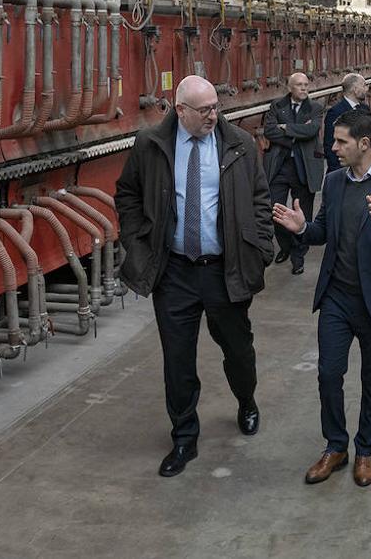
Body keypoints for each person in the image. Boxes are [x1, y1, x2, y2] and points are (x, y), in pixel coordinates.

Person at [114, 75, 275, 477]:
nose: (212, 115)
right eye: (204, 110)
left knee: (238, 350)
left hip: (226, 270)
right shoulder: (151, 145)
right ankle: (184, 436)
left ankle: (246, 398)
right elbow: (127, 195)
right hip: (175, 272)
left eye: (215, 107)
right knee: (178, 359)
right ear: (179, 109)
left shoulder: (237, 142)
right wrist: (137, 243)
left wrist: (260, 248)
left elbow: (260, 198)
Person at [272, 110, 371, 488]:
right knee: (328, 374)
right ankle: (336, 445)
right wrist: (302, 229)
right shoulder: (336, 182)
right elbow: (324, 229)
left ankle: (365, 451)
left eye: (341, 141)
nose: (333, 147)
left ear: (364, 143)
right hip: (337, 298)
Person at [263, 72, 324, 275]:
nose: (304, 88)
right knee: (275, 210)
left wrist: (286, 127)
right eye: (299, 85)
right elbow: (269, 131)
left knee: (303, 213)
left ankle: (299, 256)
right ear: (290, 88)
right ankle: (286, 246)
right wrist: (297, 134)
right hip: (280, 166)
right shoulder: (276, 106)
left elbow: (312, 131)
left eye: (306, 85)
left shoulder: (315, 108)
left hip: (304, 167)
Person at [323, 72, 369, 171]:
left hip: (363, 167)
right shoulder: (335, 112)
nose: (366, 89)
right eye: (364, 85)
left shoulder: (365, 109)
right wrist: (337, 169)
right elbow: (329, 143)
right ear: (355, 89)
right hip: (343, 168)